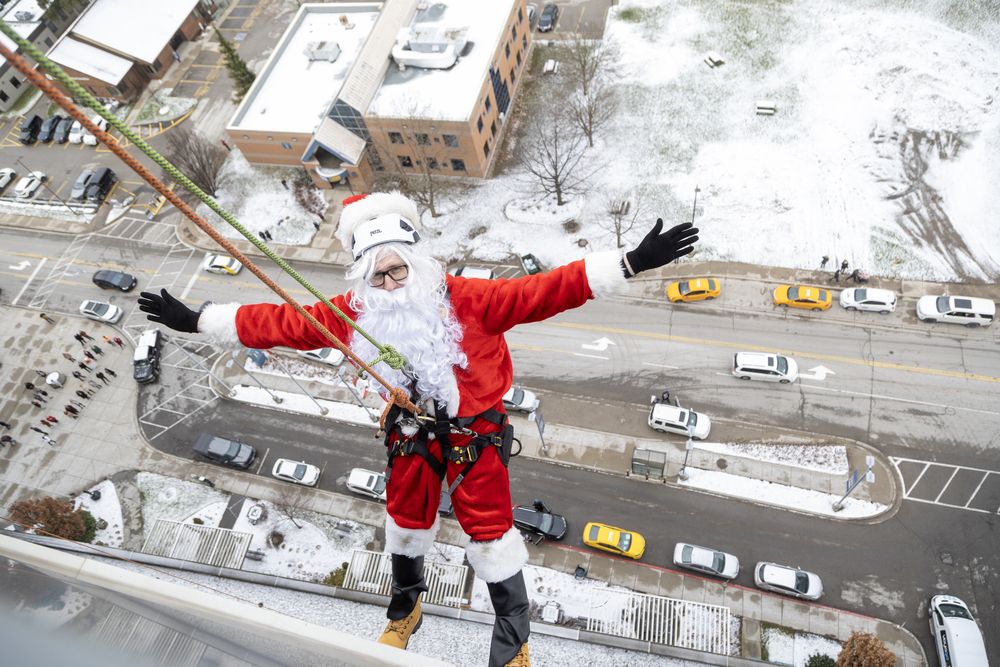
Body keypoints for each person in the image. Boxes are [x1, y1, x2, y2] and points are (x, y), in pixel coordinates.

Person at [139, 191, 698, 667]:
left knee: (492, 531)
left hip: (475, 430)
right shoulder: (353, 313)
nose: (390, 282)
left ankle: (513, 642)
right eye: (378, 275)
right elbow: (282, 323)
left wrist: (630, 261)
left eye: (398, 269)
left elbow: (543, 291)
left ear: (417, 263)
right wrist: (198, 320)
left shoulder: (469, 301)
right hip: (411, 428)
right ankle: (406, 610)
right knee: (405, 519)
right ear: (363, 277)